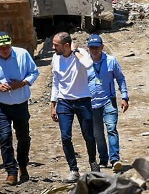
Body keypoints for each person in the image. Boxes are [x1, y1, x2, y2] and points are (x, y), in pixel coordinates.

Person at [0, 31, 39, 186]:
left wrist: (23, 83)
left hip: (20, 102)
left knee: (23, 137)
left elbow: (34, 72)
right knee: (5, 137)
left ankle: (23, 166)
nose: (4, 50)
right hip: (0, 104)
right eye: (1, 48)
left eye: (7, 47)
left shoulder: (22, 54)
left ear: (11, 44)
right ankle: (11, 171)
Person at [50, 32, 99, 183]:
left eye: (56, 45)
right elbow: (56, 82)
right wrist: (53, 104)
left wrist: (76, 51)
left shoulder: (81, 53)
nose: (53, 48)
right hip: (64, 101)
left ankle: (93, 162)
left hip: (82, 100)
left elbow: (89, 65)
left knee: (88, 135)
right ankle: (73, 169)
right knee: (65, 136)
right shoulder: (55, 58)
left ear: (66, 45)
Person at [86, 34, 129, 171]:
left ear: (102, 47)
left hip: (108, 101)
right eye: (91, 47)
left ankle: (115, 159)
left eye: (97, 47)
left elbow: (120, 79)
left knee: (111, 129)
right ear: (88, 48)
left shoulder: (111, 61)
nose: (94, 50)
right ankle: (103, 158)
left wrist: (124, 97)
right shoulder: (84, 64)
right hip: (92, 103)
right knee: (97, 133)